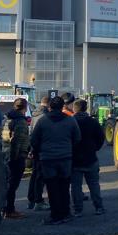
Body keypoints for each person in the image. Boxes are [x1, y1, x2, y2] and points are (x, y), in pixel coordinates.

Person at [30, 96, 81, 225]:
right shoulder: (70, 120)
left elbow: (34, 140)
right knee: (64, 186)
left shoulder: (42, 121)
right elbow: (77, 138)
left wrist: (39, 151)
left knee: (52, 188)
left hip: (48, 159)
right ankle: (66, 212)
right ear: (62, 106)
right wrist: (69, 147)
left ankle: (55, 215)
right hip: (65, 158)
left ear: (50, 107)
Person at [71, 99, 106, 217]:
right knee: (94, 185)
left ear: (74, 109)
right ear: (86, 108)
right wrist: (94, 148)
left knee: (76, 186)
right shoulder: (93, 122)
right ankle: (99, 207)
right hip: (90, 158)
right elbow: (101, 138)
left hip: (74, 159)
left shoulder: (71, 122)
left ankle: (78, 210)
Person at [1, 98, 31, 219]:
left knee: (6, 183)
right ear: (25, 107)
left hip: (5, 154)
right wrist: (17, 157)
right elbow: (17, 141)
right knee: (12, 185)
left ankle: (4, 208)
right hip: (16, 157)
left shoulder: (6, 119)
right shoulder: (21, 122)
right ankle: (10, 210)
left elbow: (2, 137)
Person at [27, 97, 50, 211]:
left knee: (35, 175)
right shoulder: (45, 116)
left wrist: (31, 149)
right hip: (42, 149)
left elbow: (31, 133)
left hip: (35, 149)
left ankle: (31, 200)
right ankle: (38, 201)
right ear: (49, 105)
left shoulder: (34, 115)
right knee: (40, 177)